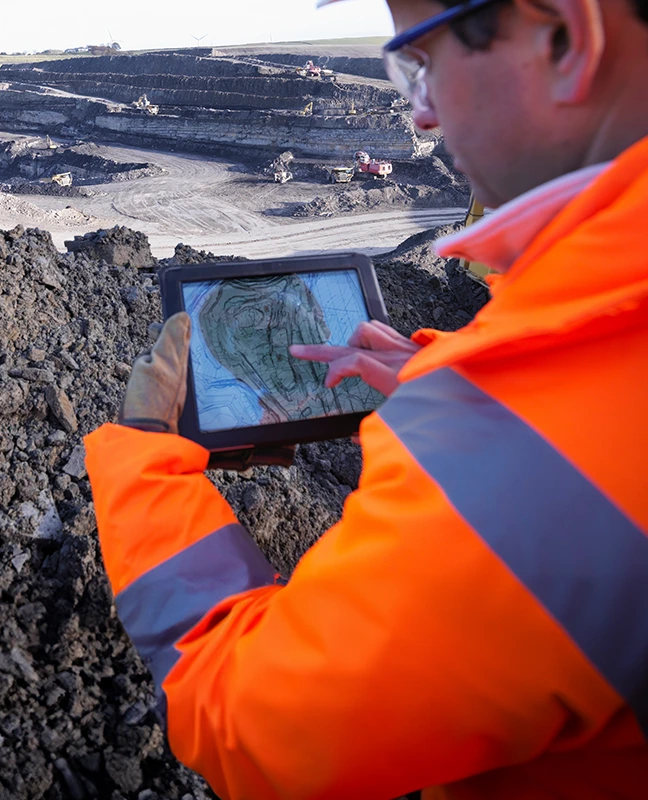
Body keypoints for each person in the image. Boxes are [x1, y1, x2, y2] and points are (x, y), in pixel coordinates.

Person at [82, 0, 648, 797]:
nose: (419, 116)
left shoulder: (530, 459)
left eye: (419, 60)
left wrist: (143, 452)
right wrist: (455, 385)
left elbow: (251, 724)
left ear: (564, 35)